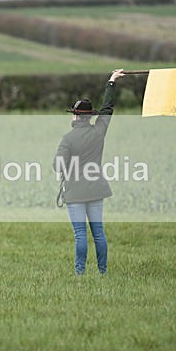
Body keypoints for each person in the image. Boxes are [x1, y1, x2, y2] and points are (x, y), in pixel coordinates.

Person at [55, 69, 125, 275]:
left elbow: (58, 166)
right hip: (96, 189)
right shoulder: (98, 131)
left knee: (80, 235)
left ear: (76, 116)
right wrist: (111, 82)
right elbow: (108, 108)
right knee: (99, 234)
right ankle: (102, 272)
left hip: (76, 191)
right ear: (89, 116)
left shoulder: (67, 139)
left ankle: (80, 273)